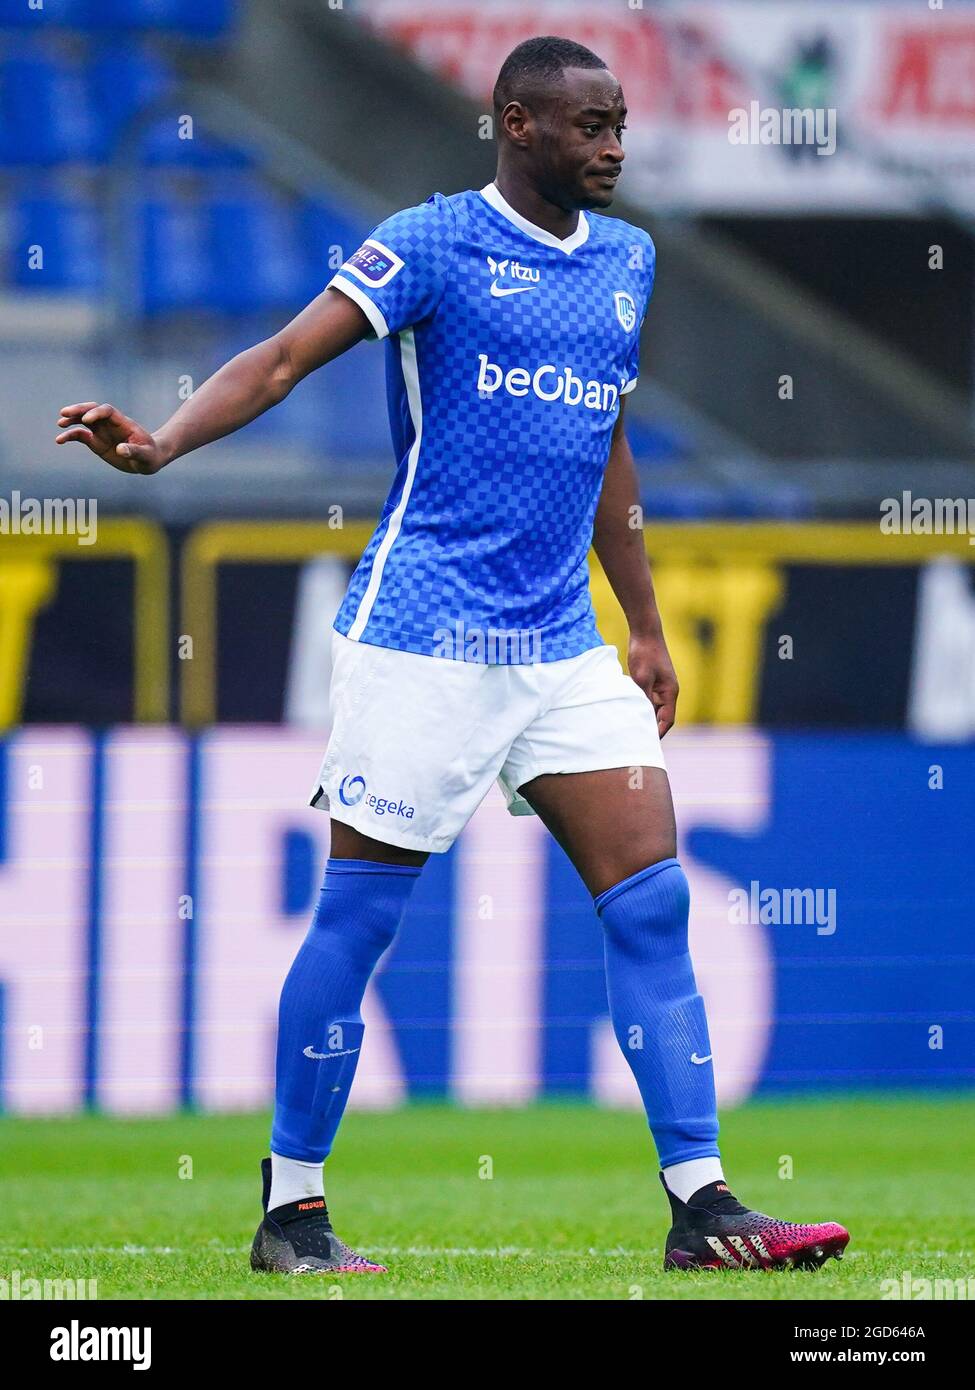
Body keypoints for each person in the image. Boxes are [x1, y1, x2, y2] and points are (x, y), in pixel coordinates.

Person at [56, 35, 849, 1275]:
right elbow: (279, 359)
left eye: (622, 124)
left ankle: (703, 1205)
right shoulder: (428, 243)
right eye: (590, 126)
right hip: (424, 633)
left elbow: (610, 443)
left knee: (653, 899)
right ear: (517, 125)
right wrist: (161, 447)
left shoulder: (629, 261)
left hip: (561, 646)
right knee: (360, 918)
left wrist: (640, 622)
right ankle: (293, 1209)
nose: (616, 147)